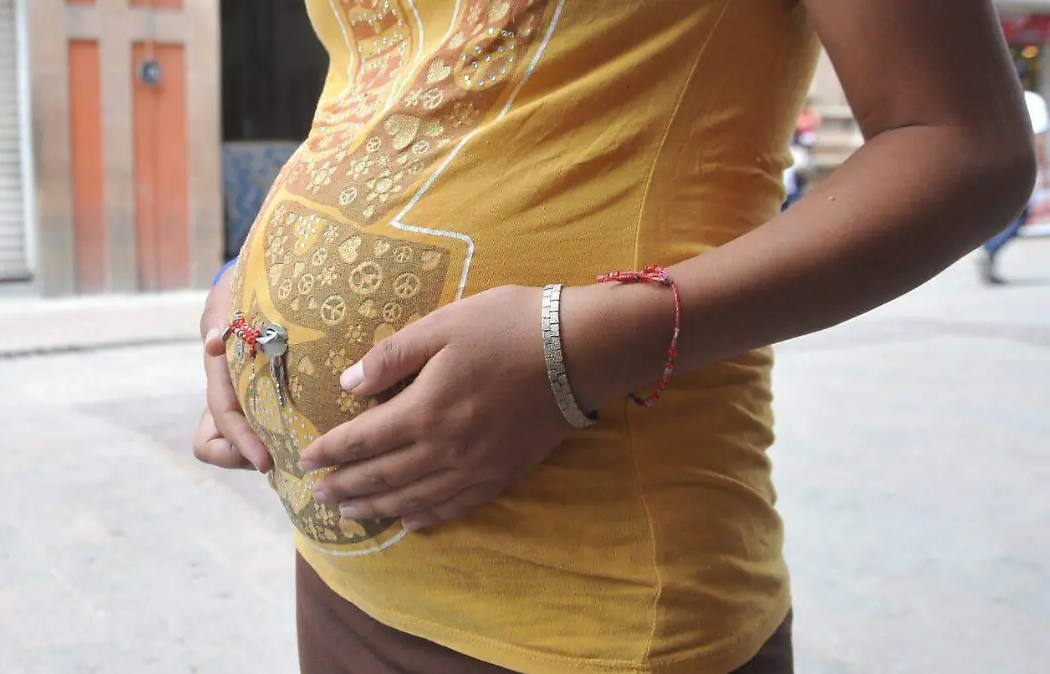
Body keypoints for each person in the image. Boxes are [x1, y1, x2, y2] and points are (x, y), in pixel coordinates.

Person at [194, 2, 1033, 672]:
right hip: (342, 578)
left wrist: (577, 350)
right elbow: (377, 88)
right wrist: (257, 271)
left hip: (592, 605)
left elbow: (963, 145)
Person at [979, 87, 1049, 284]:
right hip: (1024, 165)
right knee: (1020, 214)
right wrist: (1042, 171)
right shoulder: (1033, 100)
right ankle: (991, 248)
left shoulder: (998, 96)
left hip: (997, 163)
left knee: (1008, 212)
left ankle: (991, 248)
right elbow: (1038, 140)